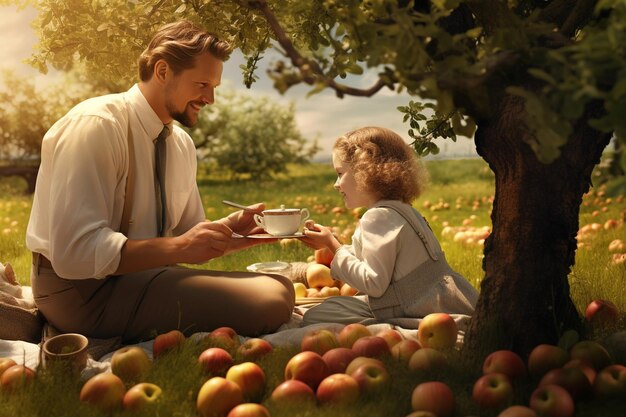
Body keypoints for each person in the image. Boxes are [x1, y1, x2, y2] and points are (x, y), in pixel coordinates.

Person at [26, 21, 294, 343]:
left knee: (279, 286)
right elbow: (75, 252)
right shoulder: (96, 126)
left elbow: (185, 232)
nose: (210, 99)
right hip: (80, 293)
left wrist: (229, 232)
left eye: (214, 88)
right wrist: (182, 246)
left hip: (141, 278)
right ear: (163, 71)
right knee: (270, 299)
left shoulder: (180, 143)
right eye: (202, 84)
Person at [300, 126, 478, 326]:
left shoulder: (378, 217)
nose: (336, 183)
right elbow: (381, 261)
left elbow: (374, 284)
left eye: (340, 173)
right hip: (443, 299)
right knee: (334, 306)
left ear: (364, 172)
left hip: (418, 306)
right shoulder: (402, 210)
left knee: (317, 315)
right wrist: (330, 244)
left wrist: (333, 246)